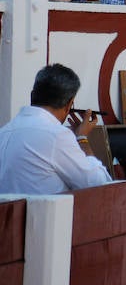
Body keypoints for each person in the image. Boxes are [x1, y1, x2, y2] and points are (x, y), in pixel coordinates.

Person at [0, 63, 111, 194]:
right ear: (69, 104)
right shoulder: (57, 135)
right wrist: (82, 138)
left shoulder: (5, 131)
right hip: (41, 214)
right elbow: (99, 184)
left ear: (32, 96)